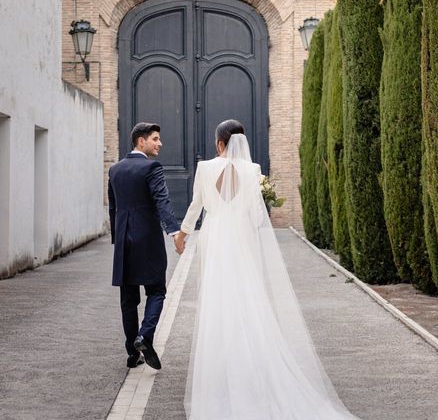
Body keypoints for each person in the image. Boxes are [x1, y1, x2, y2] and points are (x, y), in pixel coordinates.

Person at [175, 119, 359, 419]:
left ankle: (221, 373)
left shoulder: (205, 168)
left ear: (220, 143)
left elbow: (196, 205)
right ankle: (249, 368)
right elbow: (258, 218)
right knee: (246, 299)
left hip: (215, 235)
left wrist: (183, 234)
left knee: (217, 301)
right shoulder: (253, 170)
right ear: (241, 141)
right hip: (239, 238)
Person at [108, 122, 183, 371]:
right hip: (148, 240)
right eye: (155, 139)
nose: (159, 144)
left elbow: (113, 208)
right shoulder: (152, 167)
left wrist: (116, 239)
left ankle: (133, 353)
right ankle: (145, 336)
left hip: (124, 242)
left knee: (128, 300)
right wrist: (174, 231)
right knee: (157, 290)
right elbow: (162, 200)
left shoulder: (115, 169)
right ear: (141, 141)